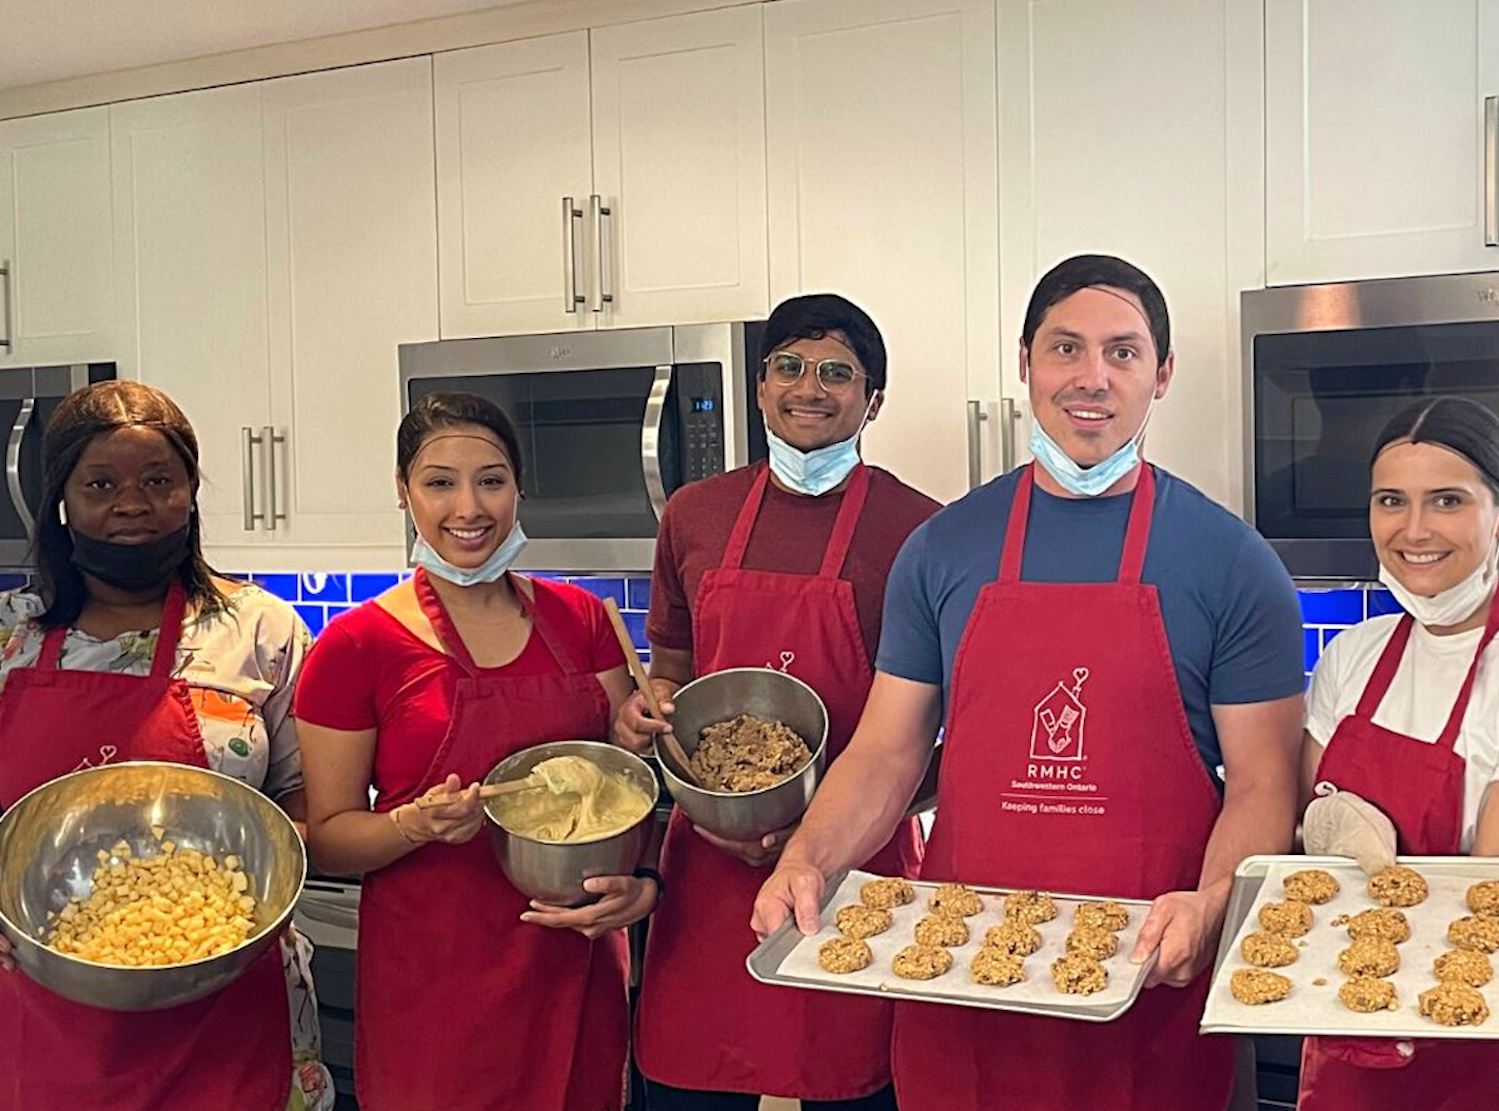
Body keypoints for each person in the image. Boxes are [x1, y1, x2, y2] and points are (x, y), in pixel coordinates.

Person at [751, 254, 1306, 1110]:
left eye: (1122, 353)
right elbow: (889, 752)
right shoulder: (943, 548)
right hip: (963, 991)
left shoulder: (1233, 562)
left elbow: (1266, 783)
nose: (1091, 378)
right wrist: (809, 857)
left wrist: (1210, 902)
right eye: (1065, 348)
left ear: (1160, 375)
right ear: (1024, 363)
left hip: (1145, 984)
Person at [615, 293, 939, 1110]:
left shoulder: (922, 530)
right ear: (759, 386)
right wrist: (642, 711)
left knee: (852, 1081)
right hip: (709, 870)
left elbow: (944, 732)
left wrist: (824, 828)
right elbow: (674, 673)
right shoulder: (694, 513)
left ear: (873, 400)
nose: (810, 387)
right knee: (692, 1077)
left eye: (838, 372)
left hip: (854, 872)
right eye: (789, 366)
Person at [295, 393, 645, 1111]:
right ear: (403, 492)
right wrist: (413, 824)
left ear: (518, 488)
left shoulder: (580, 619)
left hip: (575, 961)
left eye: (490, 480)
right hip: (439, 979)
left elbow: (625, 786)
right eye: (438, 482)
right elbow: (327, 839)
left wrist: (641, 885)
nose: (469, 507)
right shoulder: (355, 646)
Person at [0, 381, 332, 1111]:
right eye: (100, 484)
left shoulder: (260, 631)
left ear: (190, 493)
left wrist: (254, 896)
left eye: (158, 480)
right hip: (46, 1016)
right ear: (63, 502)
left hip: (232, 1004)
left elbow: (307, 806)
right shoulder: (10, 643)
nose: (131, 504)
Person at [1294, 396, 1499, 1109]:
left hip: (1480, 1025)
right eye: (1391, 501)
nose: (1413, 530)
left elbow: (1491, 899)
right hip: (1344, 1008)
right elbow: (1305, 824)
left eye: (1446, 500)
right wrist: (1325, 827)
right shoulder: (1351, 658)